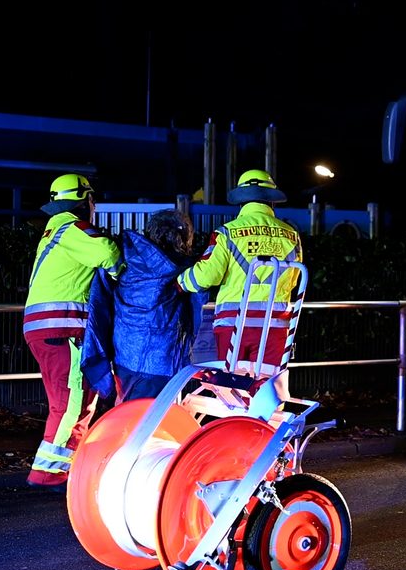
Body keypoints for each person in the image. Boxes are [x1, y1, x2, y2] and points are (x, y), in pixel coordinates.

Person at [23, 173, 123, 492]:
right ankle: (49, 475)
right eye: (91, 200)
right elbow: (108, 252)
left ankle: (64, 467)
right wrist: (122, 271)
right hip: (62, 327)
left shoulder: (56, 230)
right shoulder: (73, 228)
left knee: (77, 400)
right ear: (84, 201)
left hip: (48, 327)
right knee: (71, 403)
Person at [176, 169, 302, 396]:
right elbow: (292, 280)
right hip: (276, 325)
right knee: (268, 390)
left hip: (235, 324)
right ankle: (268, 429)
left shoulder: (227, 233)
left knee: (232, 390)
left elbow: (207, 276)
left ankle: (237, 428)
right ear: (271, 200)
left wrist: (180, 282)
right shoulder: (291, 235)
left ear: (242, 200)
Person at [110, 209, 208, 401]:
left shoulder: (127, 259)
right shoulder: (186, 270)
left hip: (123, 355)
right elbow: (200, 308)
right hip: (161, 360)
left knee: (125, 414)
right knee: (153, 422)